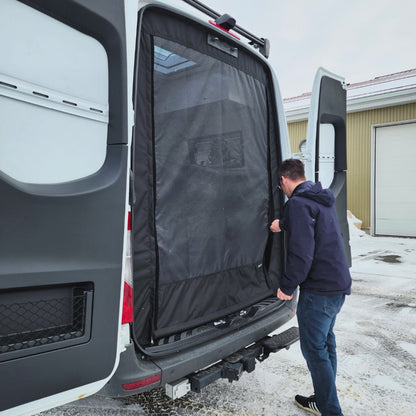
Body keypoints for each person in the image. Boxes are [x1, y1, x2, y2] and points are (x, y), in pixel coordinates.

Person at [270, 158, 351, 416]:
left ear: (284, 179)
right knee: (326, 344)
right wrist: (283, 225)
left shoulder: (297, 204)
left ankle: (330, 410)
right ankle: (323, 400)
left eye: (280, 184)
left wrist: (288, 285)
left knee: (314, 350)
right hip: (337, 285)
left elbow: (302, 253)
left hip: (319, 290)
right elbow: (314, 229)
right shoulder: (319, 198)